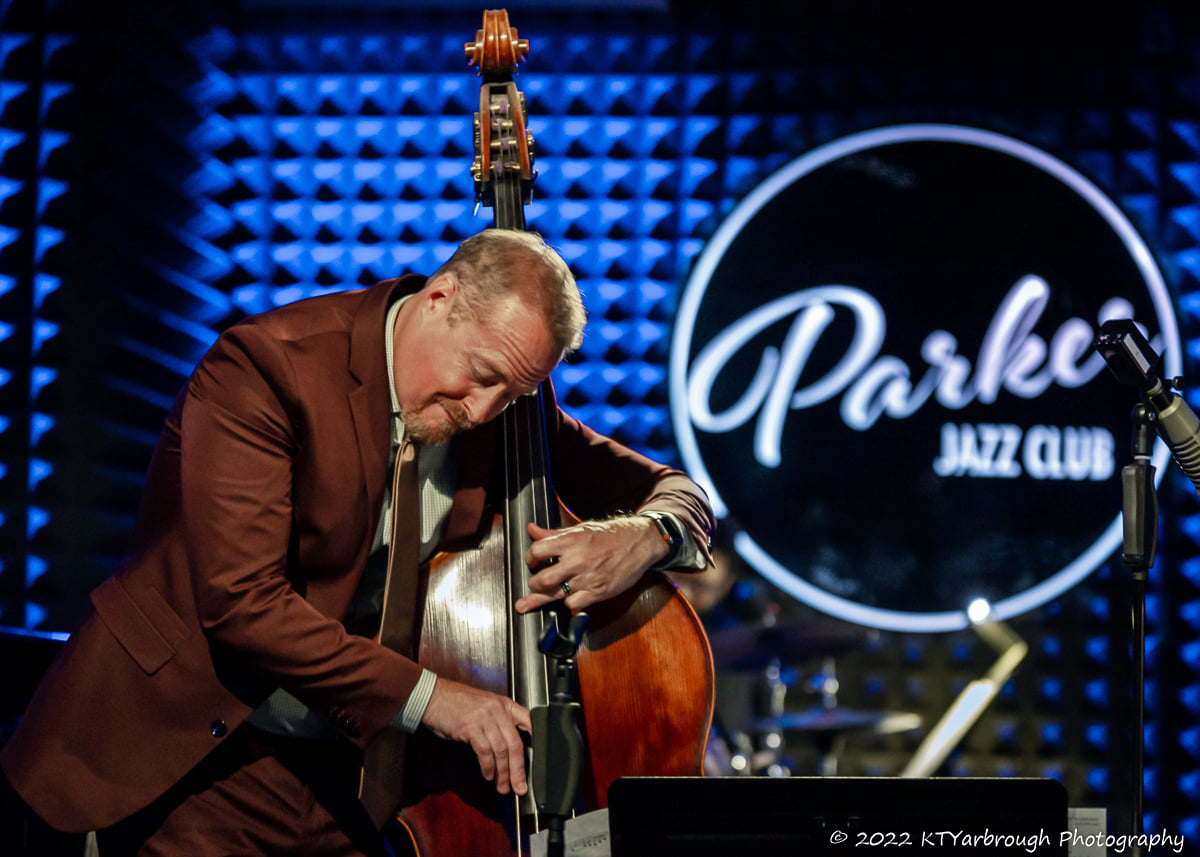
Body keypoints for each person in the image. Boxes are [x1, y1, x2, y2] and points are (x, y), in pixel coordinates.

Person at [0, 228, 714, 856]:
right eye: (484, 377)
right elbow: (242, 604)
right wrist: (440, 699)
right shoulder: (265, 369)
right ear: (440, 298)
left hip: (346, 767)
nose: (485, 412)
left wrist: (650, 533)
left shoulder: (504, 407)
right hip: (199, 748)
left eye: (515, 396)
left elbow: (682, 491)